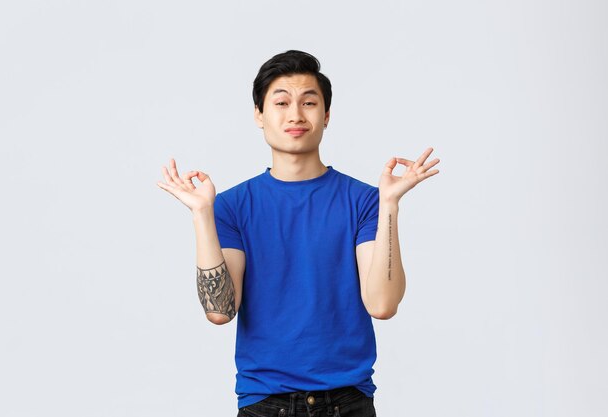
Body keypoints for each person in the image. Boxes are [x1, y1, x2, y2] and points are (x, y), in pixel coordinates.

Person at [157, 50, 440, 417]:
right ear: (259, 114)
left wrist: (389, 205)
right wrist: (201, 214)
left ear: (325, 116)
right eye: (281, 102)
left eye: (309, 102)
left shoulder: (365, 201)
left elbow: (383, 306)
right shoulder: (232, 206)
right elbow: (220, 310)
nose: (295, 114)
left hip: (347, 402)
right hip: (265, 403)